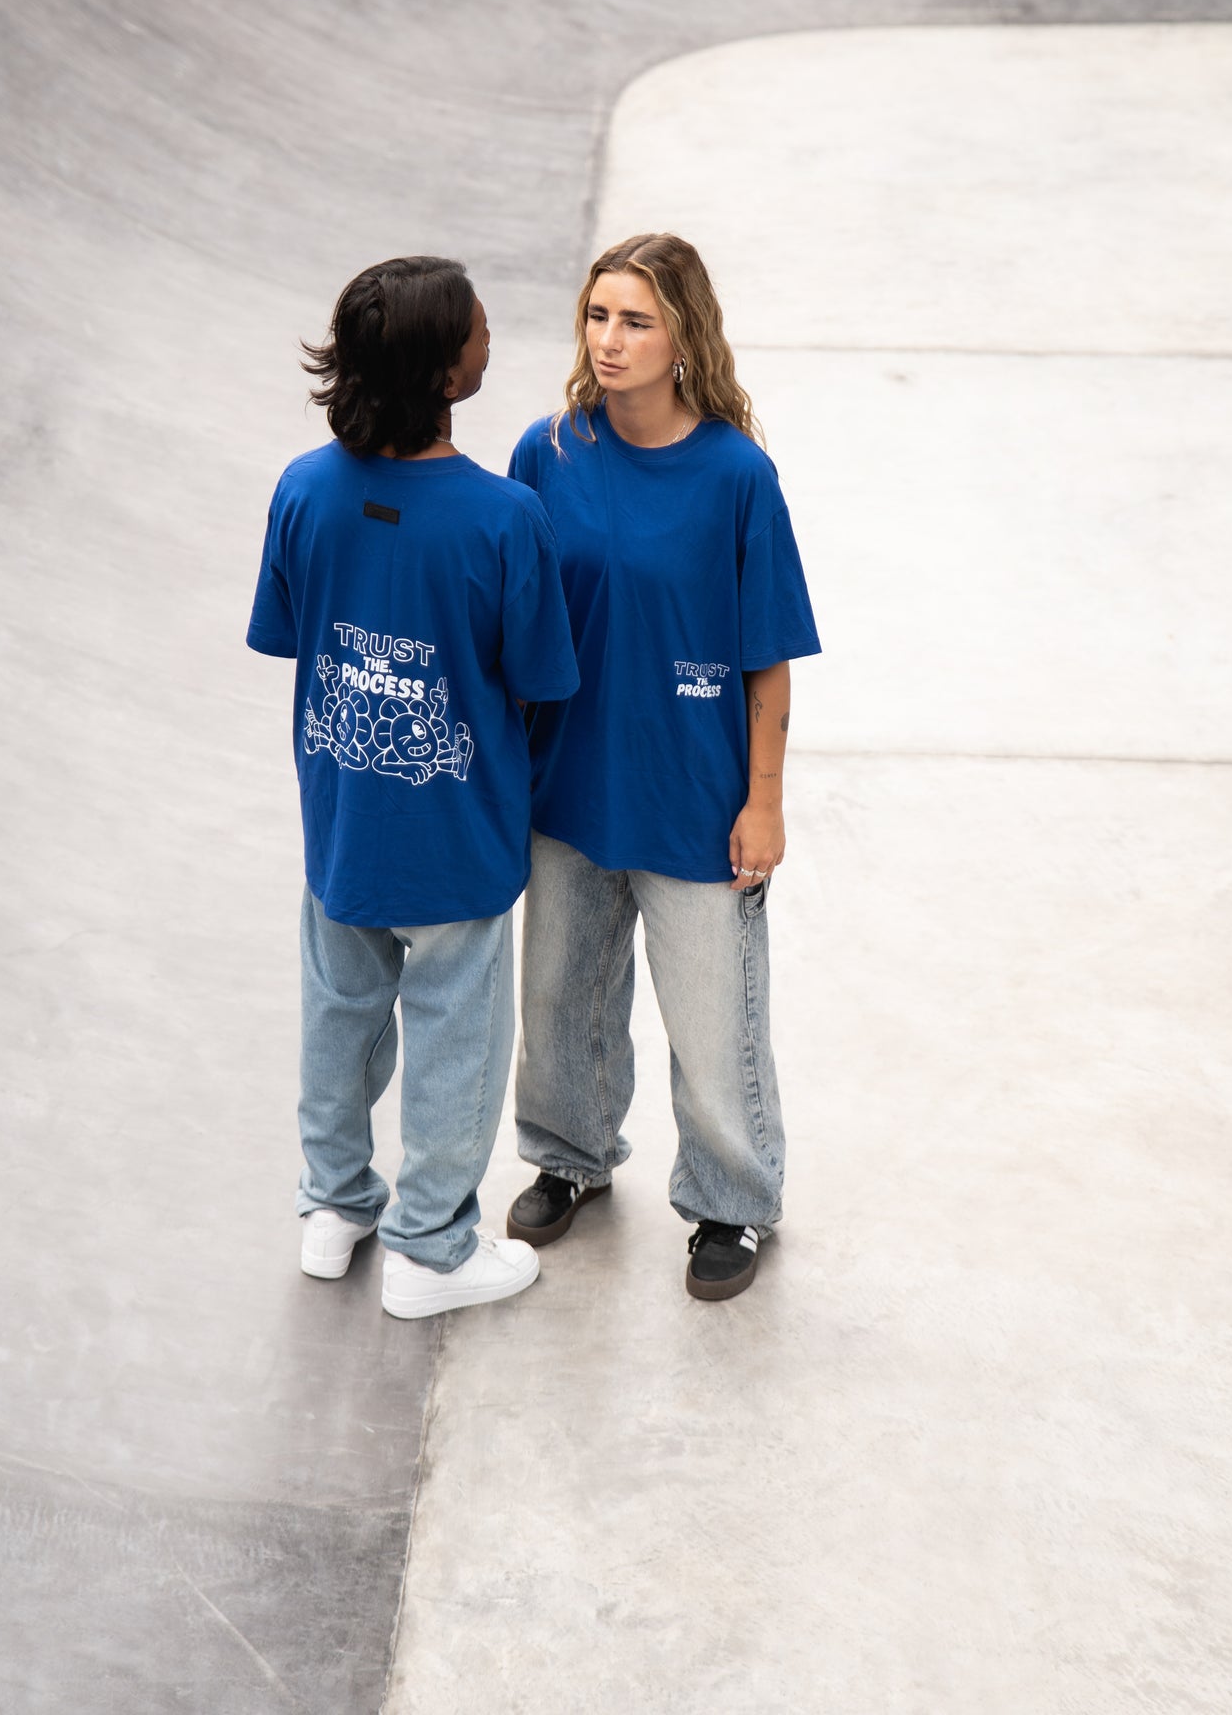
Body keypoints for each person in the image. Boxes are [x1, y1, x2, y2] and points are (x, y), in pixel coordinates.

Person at [247, 256, 579, 1319]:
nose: (492, 335)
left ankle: (334, 1206)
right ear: (445, 371)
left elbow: (295, 634)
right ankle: (430, 1249)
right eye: (479, 328)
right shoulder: (503, 517)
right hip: (456, 843)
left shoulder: (303, 487)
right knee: (453, 1037)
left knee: (337, 1014)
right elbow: (538, 680)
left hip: (341, 831)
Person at [505, 233, 820, 1301]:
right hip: (567, 787)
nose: (609, 339)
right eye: (597, 315)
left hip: (691, 796)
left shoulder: (735, 474)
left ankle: (731, 1201)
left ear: (682, 334)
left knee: (710, 1017)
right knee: (557, 998)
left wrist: (762, 803)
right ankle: (567, 1153)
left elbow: (767, 658)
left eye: (635, 320)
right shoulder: (545, 452)